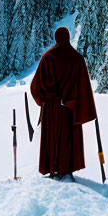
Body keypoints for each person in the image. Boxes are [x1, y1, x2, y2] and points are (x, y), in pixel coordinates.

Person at [29, 26, 97, 180]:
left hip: (52, 108)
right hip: (71, 109)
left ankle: (53, 169)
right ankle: (67, 170)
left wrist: (43, 100)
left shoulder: (48, 57)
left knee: (53, 138)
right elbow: (84, 86)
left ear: (56, 37)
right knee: (69, 139)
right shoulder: (77, 58)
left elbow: (36, 86)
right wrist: (79, 104)